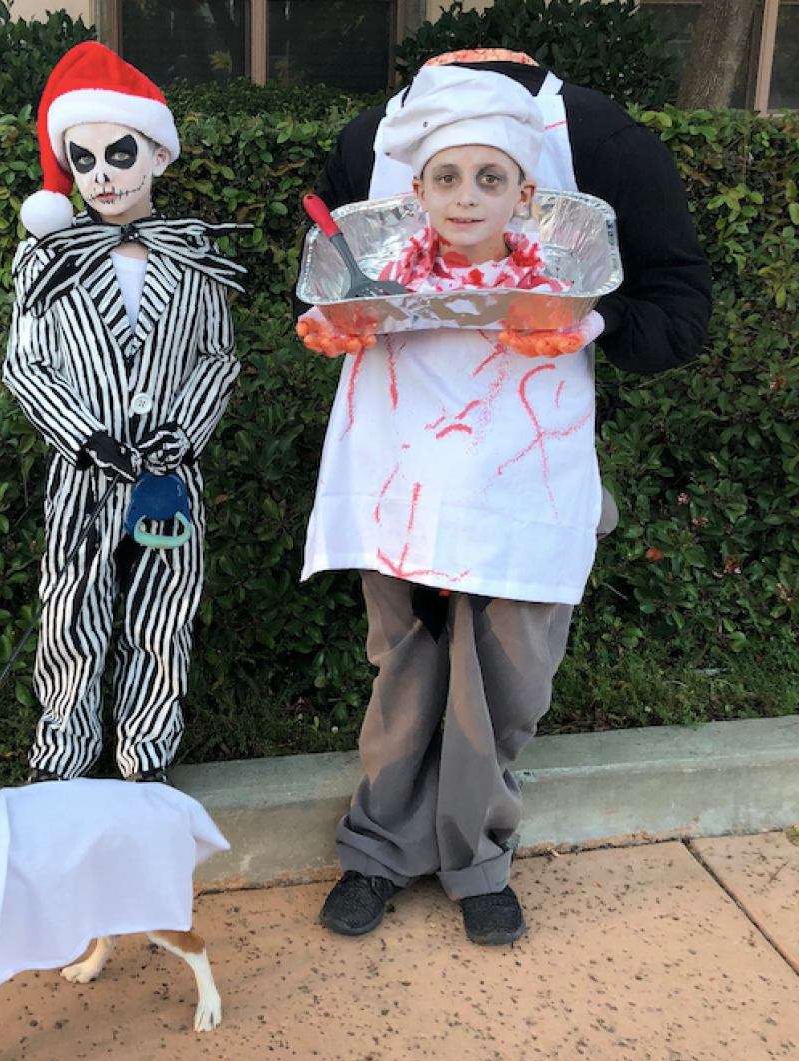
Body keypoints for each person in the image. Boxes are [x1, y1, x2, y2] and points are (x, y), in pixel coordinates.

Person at [298, 55, 711, 946]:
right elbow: (327, 290)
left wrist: (588, 321)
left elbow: (678, 311)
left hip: (525, 470)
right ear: (417, 185)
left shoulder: (601, 150)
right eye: (446, 177)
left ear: (526, 192)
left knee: (508, 680)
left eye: (491, 177)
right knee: (403, 665)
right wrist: (335, 323)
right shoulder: (368, 175)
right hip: (402, 472)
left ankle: (477, 858)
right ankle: (375, 851)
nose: (467, 196)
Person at [3, 43, 245, 785]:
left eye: (118, 153)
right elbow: (26, 364)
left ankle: (146, 757)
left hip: (170, 476)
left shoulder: (192, 256)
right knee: (71, 613)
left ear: (157, 154)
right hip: (85, 479)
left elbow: (217, 358)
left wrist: (186, 430)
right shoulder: (46, 260)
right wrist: (84, 438)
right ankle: (65, 759)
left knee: (162, 613)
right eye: (82, 161)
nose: (102, 175)